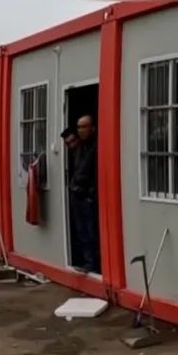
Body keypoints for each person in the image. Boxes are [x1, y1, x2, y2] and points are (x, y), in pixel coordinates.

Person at [69, 115, 100, 274]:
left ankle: (92, 264)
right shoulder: (79, 147)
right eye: (78, 127)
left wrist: (90, 194)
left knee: (90, 231)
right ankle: (87, 261)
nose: (80, 130)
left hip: (88, 196)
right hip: (77, 194)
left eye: (84, 126)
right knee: (81, 231)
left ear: (92, 128)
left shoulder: (96, 146)